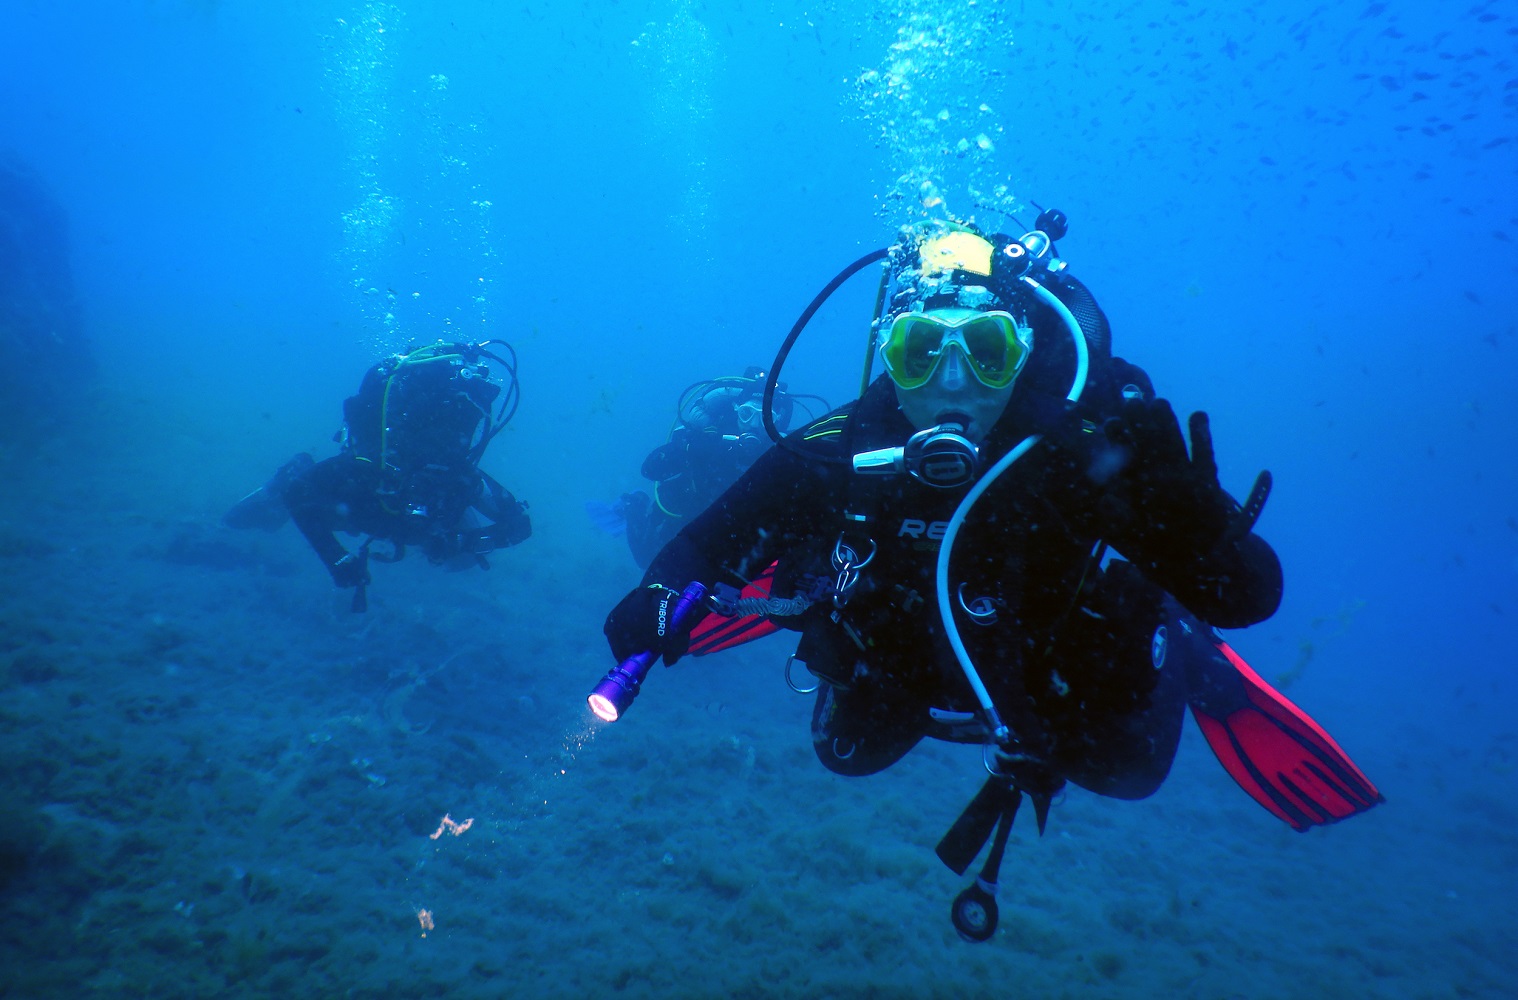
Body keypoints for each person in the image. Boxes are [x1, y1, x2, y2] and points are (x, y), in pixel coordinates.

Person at [599, 215, 1381, 939]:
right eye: (919, 350)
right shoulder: (839, 446)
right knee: (846, 754)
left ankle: (1175, 641)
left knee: (1128, 771)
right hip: (902, 655)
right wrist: (660, 597)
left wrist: (1198, 538)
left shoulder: (1081, 452)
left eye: (985, 349)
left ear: (1020, 352)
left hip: (1047, 666)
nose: (950, 381)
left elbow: (1251, 597)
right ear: (888, 354)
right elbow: (702, 546)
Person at [225, 340, 530, 610]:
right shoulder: (372, 468)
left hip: (393, 511)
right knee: (304, 499)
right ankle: (293, 469)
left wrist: (466, 543)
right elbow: (298, 493)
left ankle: (440, 539)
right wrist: (336, 559)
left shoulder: (459, 477)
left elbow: (518, 526)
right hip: (361, 506)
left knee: (459, 561)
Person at [609, 368, 816, 568]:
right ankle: (634, 504)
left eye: (763, 418)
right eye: (746, 413)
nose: (753, 424)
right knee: (647, 560)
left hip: (737, 530)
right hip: (690, 513)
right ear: (736, 409)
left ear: (776, 421)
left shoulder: (782, 451)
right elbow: (650, 470)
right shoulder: (710, 435)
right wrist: (693, 447)